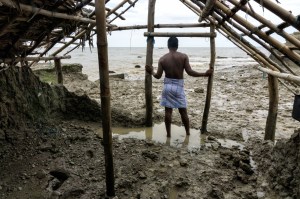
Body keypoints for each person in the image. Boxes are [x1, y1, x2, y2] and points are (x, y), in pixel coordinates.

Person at [145, 36, 212, 137]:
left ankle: (168, 135)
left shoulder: (162, 59)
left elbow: (158, 76)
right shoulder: (183, 56)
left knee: (168, 112)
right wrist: (204, 74)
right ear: (177, 45)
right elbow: (190, 72)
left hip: (167, 86)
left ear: (168, 45)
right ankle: (188, 133)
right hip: (178, 87)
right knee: (183, 111)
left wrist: (152, 71)